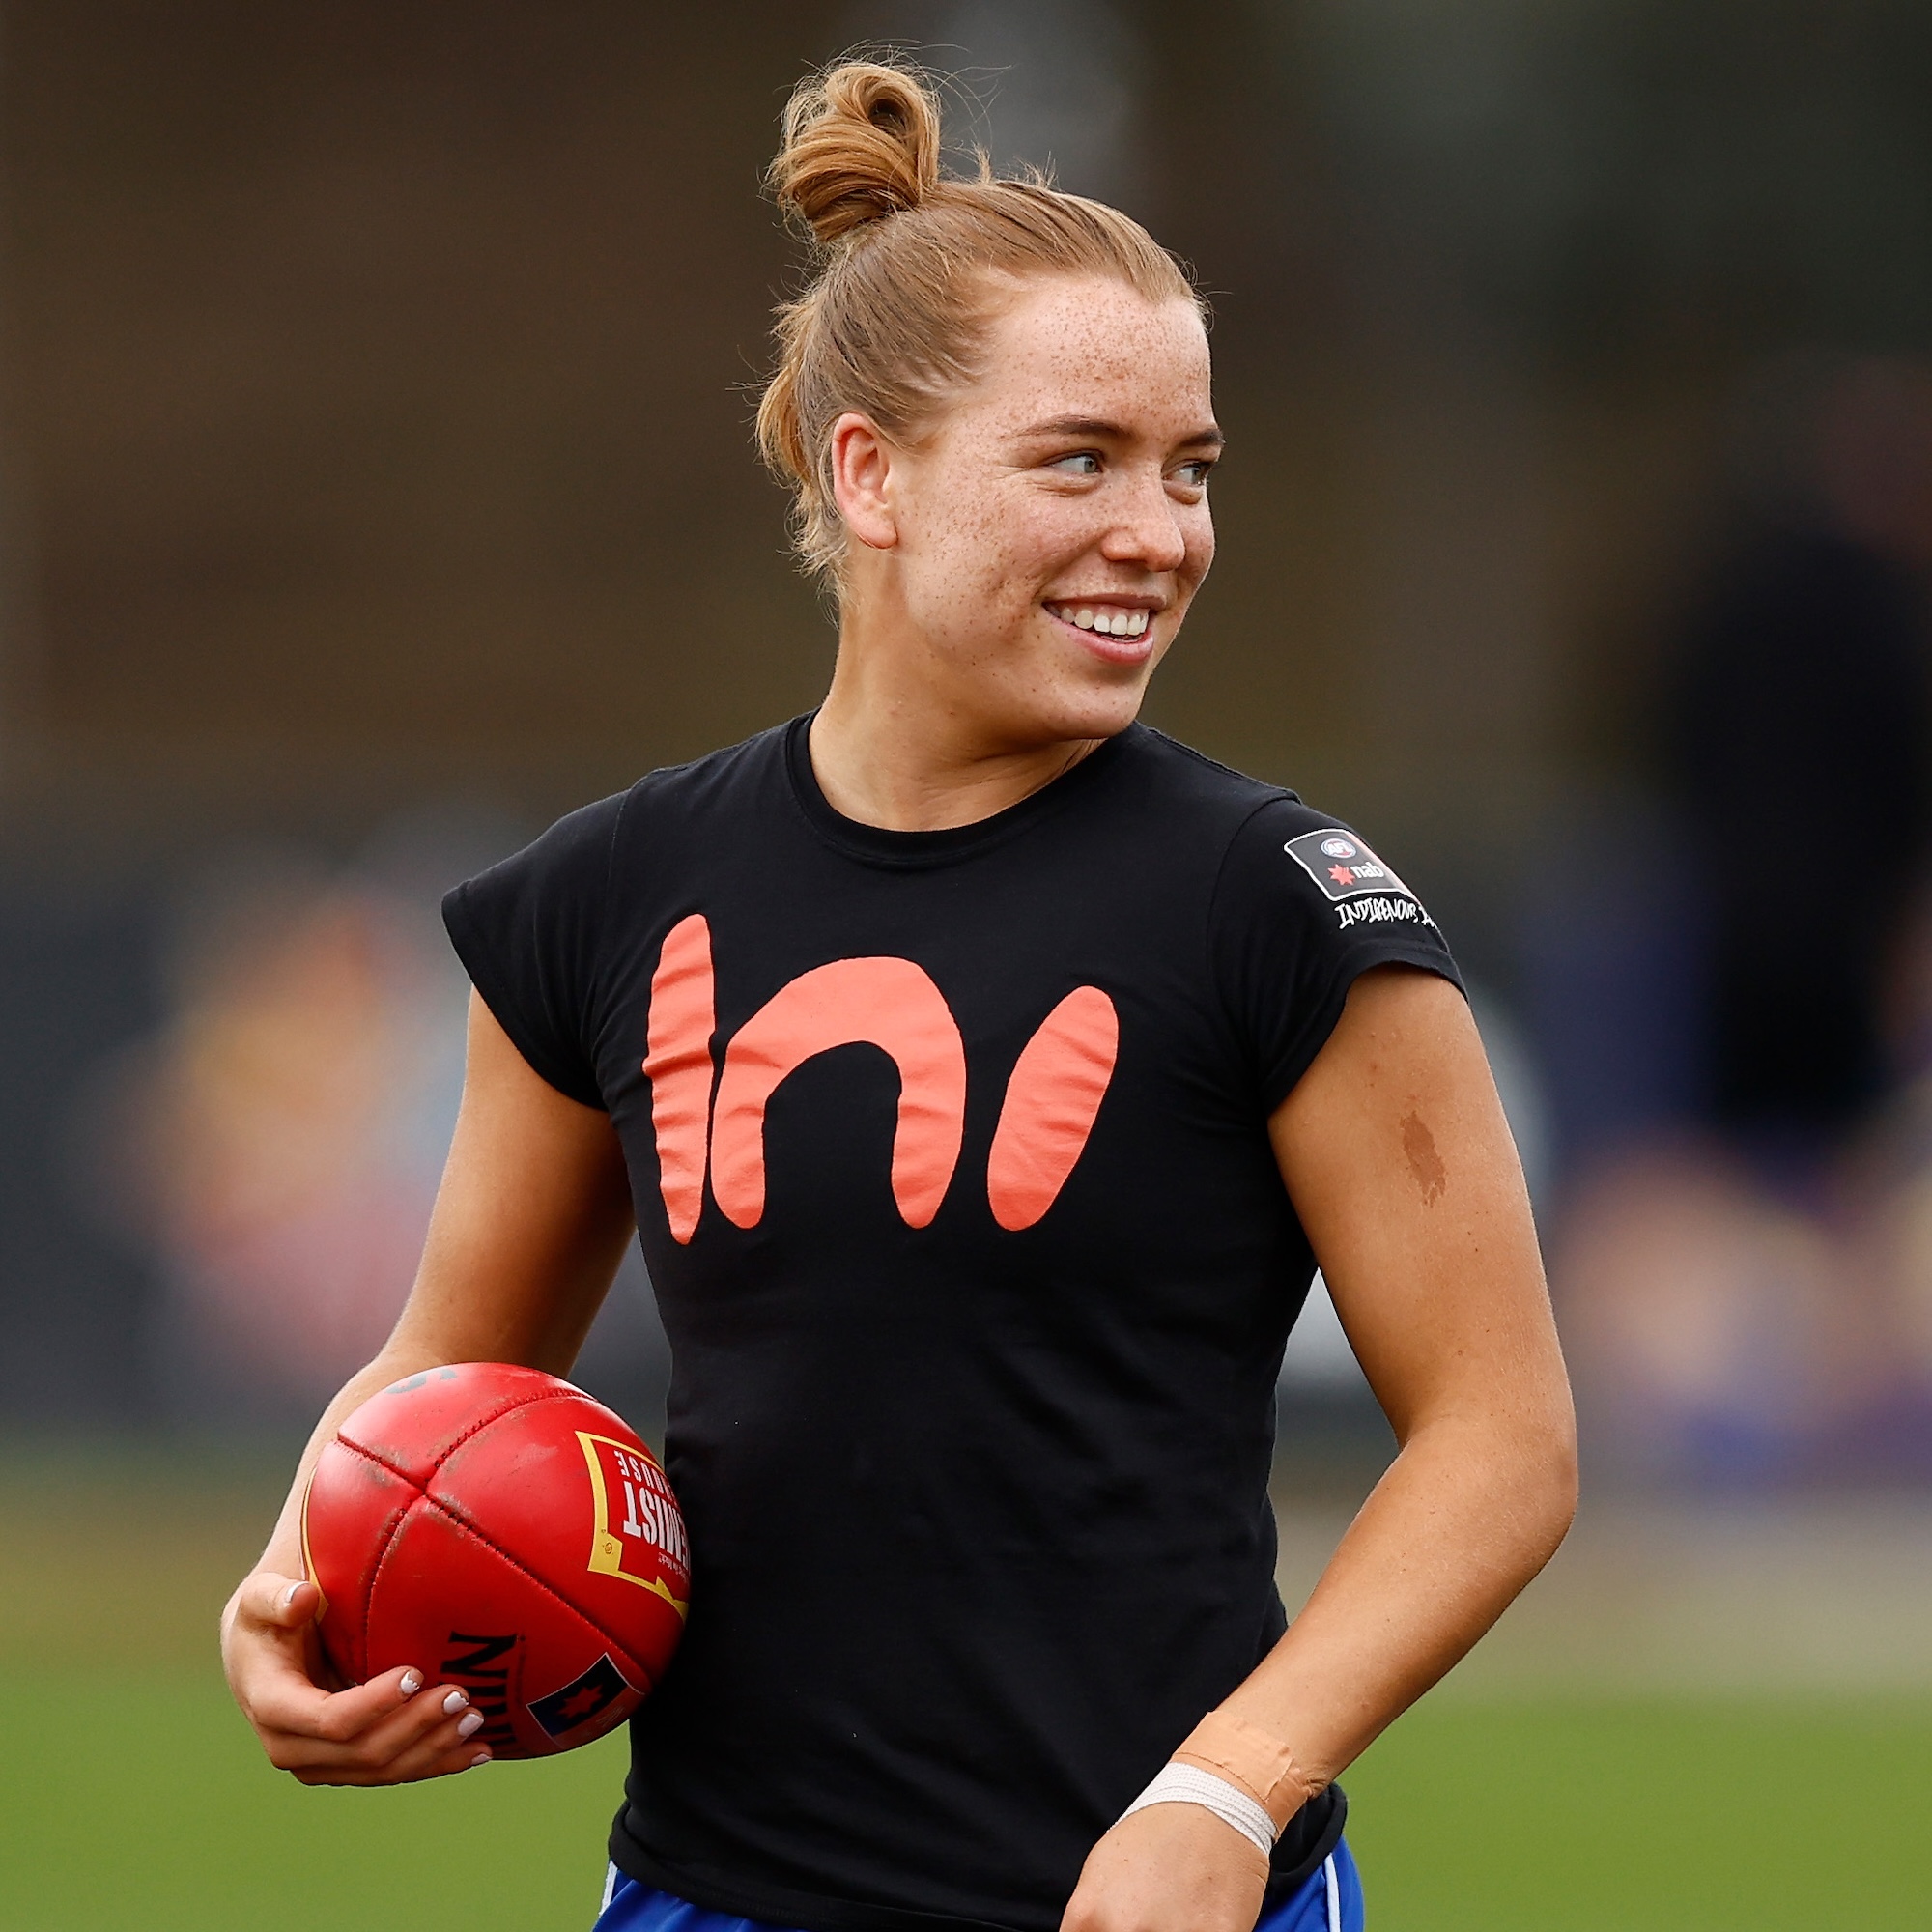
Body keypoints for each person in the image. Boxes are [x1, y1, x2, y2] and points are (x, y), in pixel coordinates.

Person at [220, 58, 1576, 1932]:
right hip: (717, 1899)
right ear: (870, 470)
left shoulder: (1283, 911)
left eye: (1189, 469)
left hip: (1163, 1903)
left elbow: (1502, 1438)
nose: (1159, 531)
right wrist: (298, 1573)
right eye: (1079, 460)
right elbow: (440, 1373)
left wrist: (1222, 1790)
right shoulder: (606, 900)